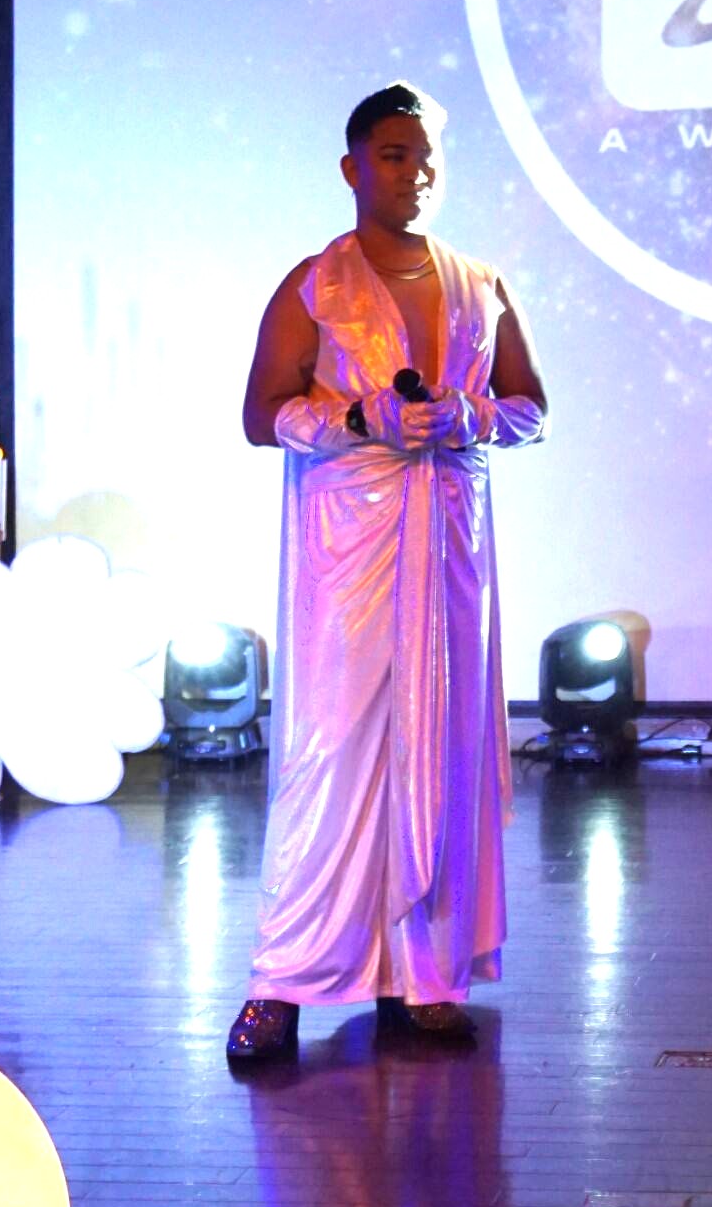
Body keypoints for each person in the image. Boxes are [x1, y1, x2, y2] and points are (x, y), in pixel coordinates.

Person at [224, 82, 548, 1061]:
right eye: (396, 154)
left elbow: (530, 405)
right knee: (334, 745)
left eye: (429, 158)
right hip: (349, 547)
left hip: (449, 541)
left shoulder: (480, 283)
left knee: (441, 748)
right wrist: (358, 418)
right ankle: (283, 978)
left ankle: (422, 971)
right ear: (354, 166)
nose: (415, 173)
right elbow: (259, 414)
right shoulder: (315, 283)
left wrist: (469, 417)